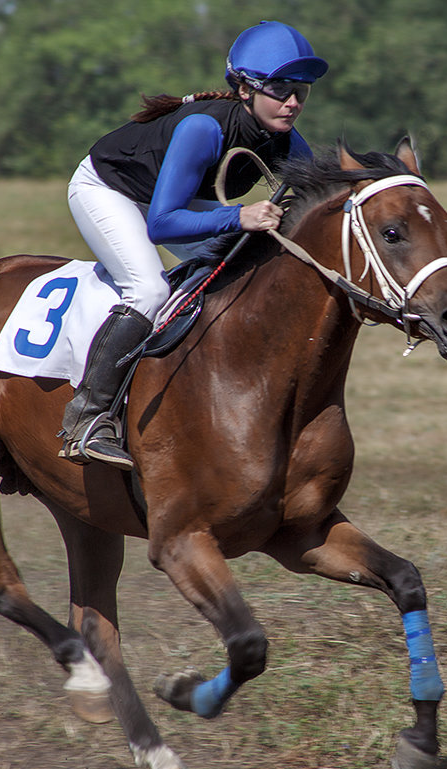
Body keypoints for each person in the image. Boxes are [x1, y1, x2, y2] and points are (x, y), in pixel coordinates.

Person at [59, 21, 328, 469]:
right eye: (280, 89)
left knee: (246, 270)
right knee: (148, 289)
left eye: (301, 90)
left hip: (173, 199)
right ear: (245, 88)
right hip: (110, 191)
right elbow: (163, 225)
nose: (293, 102)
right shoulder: (202, 129)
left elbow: (324, 196)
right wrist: (240, 216)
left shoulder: (283, 138)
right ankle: (87, 420)